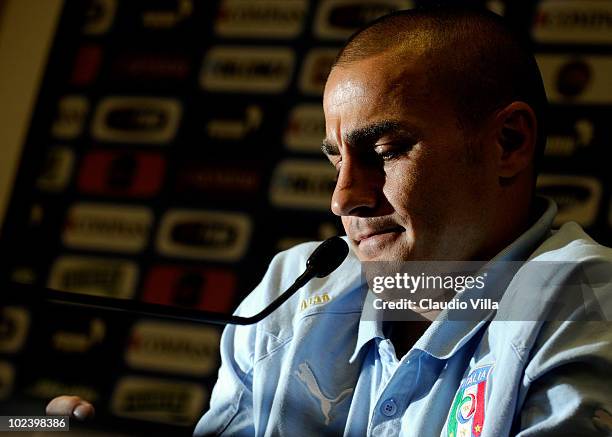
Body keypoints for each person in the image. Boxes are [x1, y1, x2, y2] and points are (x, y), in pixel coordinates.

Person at [47, 7, 612, 437]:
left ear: (507, 143)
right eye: (335, 157)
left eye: (387, 150)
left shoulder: (590, 302)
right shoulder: (294, 287)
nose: (343, 199)